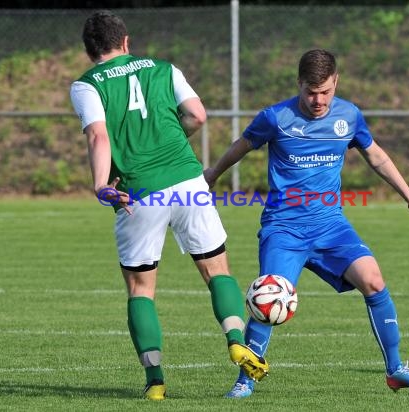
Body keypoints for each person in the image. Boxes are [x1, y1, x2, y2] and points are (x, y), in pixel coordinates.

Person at [204, 49, 409, 398]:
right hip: (284, 228)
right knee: (269, 297)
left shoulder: (349, 115)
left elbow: (375, 154)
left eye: (326, 91)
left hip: (331, 225)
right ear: (299, 84)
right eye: (311, 92)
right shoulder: (275, 117)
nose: (318, 100)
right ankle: (245, 381)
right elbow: (241, 146)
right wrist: (212, 174)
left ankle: (396, 369)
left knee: (374, 281)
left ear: (336, 83)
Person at [69, 10, 268, 401]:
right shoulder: (164, 68)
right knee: (216, 268)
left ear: (90, 50)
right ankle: (234, 338)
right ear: (126, 42)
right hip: (189, 181)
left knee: (141, 289)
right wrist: (176, 137)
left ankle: (156, 380)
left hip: (138, 193)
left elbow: (98, 136)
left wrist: (99, 184)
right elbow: (197, 115)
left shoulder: (86, 85)